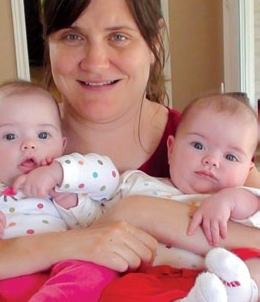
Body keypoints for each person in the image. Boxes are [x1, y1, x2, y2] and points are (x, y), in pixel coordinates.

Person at [0, 0, 260, 300]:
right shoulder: (7, 144)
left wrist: (135, 212)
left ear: (153, 42)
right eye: (72, 36)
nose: (95, 62)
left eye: (119, 36)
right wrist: (62, 245)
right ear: (49, 43)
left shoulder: (205, 143)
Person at [0, 80, 120, 301]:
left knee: (93, 272)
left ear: (62, 145)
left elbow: (108, 181)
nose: (29, 144)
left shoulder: (64, 182)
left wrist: (63, 184)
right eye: (10, 136)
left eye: (43, 135)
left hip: (55, 276)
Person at [100, 93, 260, 301]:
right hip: (153, 277)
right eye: (198, 145)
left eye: (230, 157)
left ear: (248, 170)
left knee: (253, 262)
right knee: (117, 291)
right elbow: (99, 219)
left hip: (220, 276)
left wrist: (229, 200)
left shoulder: (238, 199)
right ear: (171, 149)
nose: (211, 160)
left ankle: (239, 291)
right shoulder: (138, 184)